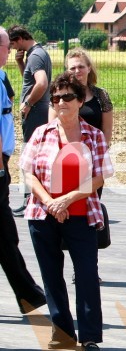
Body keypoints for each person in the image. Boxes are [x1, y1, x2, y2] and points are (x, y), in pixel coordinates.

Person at [19, 73, 113, 351]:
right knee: (51, 275)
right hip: (42, 213)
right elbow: (27, 172)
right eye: (56, 98)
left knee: (86, 274)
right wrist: (50, 202)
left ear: (80, 101)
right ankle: (61, 333)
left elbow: (99, 177)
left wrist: (68, 199)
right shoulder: (41, 133)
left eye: (67, 97)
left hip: (82, 213)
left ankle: (90, 338)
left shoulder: (93, 136)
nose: (60, 102)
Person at [0, 26, 47, 315]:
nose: (9, 52)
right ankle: (29, 294)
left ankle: (29, 295)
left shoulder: (2, 75)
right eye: (6, 47)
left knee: (5, 233)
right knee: (5, 231)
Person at [8, 25, 53, 216]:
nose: (10, 48)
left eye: (11, 44)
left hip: (35, 113)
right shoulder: (38, 54)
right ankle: (30, 199)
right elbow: (31, 82)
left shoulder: (35, 56)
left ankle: (30, 201)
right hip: (39, 111)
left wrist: (27, 103)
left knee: (30, 157)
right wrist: (20, 64)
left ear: (19, 39)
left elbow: (41, 83)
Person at [50, 49, 113, 146]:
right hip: (65, 150)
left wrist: (102, 151)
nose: (77, 71)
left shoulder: (101, 95)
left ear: (89, 68)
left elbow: (107, 129)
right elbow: (52, 126)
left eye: (81, 67)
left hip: (94, 149)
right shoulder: (58, 96)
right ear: (67, 70)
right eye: (72, 68)